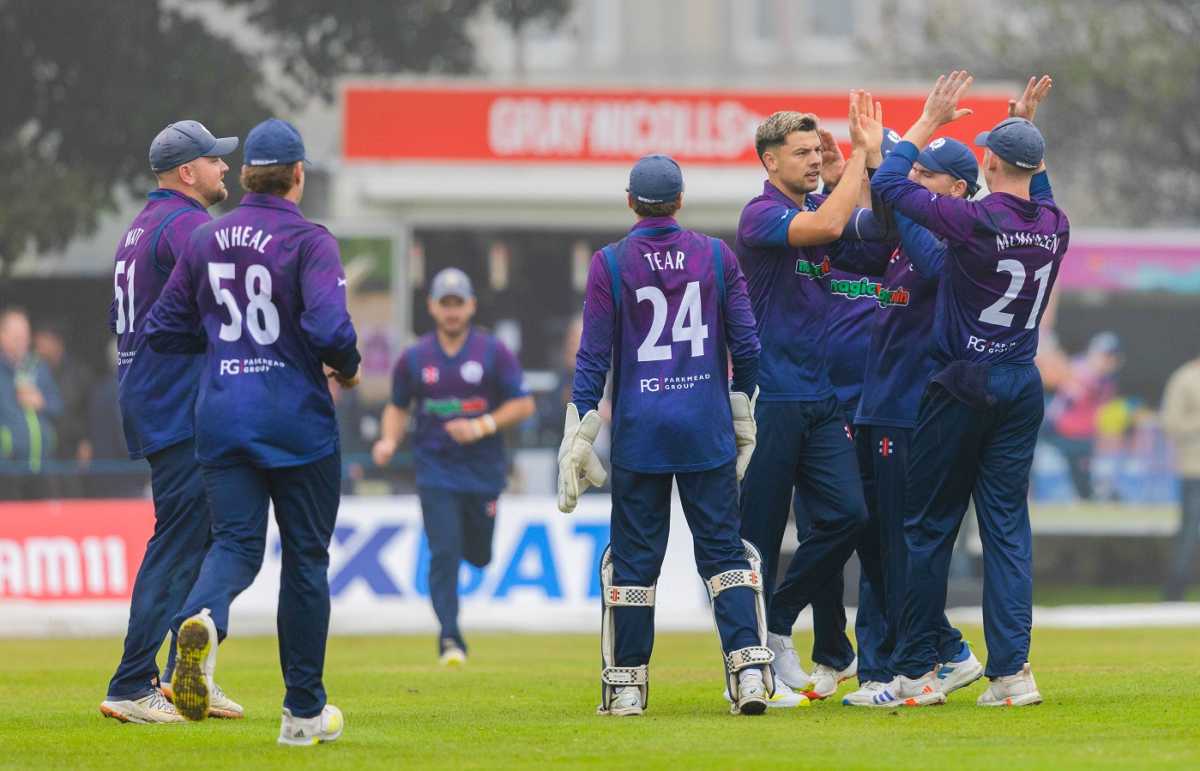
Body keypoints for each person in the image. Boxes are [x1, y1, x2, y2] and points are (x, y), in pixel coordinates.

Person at [145, 118, 360, 745]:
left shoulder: (206, 240)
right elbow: (330, 330)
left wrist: (219, 344)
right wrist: (345, 367)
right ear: (298, 176)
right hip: (296, 422)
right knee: (305, 562)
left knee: (236, 546)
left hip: (222, 416)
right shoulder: (311, 239)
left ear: (244, 177)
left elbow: (163, 328)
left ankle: (202, 617)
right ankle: (301, 714)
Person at [559, 152, 789, 717]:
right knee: (725, 556)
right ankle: (752, 676)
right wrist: (741, 409)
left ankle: (627, 687)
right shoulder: (715, 254)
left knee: (634, 564)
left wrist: (581, 430)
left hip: (641, 433)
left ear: (632, 202)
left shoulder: (609, 263)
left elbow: (592, 358)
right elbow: (749, 347)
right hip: (704, 429)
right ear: (680, 201)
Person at [870, 72, 1067, 707]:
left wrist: (927, 121)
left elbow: (889, 185)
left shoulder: (973, 219)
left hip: (961, 383)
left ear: (986, 162)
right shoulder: (1056, 225)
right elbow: (1040, 192)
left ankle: (919, 672)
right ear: (1034, 165)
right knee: (1007, 528)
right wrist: (1027, 129)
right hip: (1021, 383)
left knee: (928, 527)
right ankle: (1012, 674)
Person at [834, 132, 996, 706]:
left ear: (955, 188)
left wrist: (892, 170)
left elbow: (925, 254)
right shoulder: (907, 235)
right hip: (878, 405)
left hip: (911, 412)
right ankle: (906, 661)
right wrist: (851, 167)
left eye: (923, 176)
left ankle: (928, 662)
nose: (913, 184)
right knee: (877, 542)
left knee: (904, 545)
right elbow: (854, 240)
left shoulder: (958, 241)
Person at [100, 120, 245, 725]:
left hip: (153, 392)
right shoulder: (189, 226)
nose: (225, 169)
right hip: (180, 401)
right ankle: (134, 682)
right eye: (215, 161)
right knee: (183, 539)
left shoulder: (140, 228)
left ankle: (186, 676)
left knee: (208, 535)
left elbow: (117, 317)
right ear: (188, 172)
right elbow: (227, 309)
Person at [734, 94, 877, 697]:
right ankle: (747, 661)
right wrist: (863, 161)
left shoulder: (823, 202)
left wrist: (855, 176)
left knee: (849, 515)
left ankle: (780, 625)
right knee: (759, 537)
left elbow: (868, 243)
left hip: (820, 399)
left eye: (819, 150)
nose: (815, 159)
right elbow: (827, 226)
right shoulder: (759, 215)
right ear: (770, 162)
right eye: (801, 152)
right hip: (772, 398)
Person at [371, 268, 535, 665]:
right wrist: (389, 440)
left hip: (483, 472)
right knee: (443, 553)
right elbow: (397, 405)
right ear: (431, 307)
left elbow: (523, 404)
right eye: (444, 304)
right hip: (435, 471)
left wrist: (482, 425)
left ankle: (456, 609)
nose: (451, 312)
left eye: (457, 304)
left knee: (478, 555)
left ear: (471, 306)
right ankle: (450, 637)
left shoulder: (493, 352)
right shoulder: (414, 358)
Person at [1045, 331, 1123, 500]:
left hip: (1083, 437)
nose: (1108, 360)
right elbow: (1067, 390)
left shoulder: (1107, 380)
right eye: (1104, 355)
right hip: (1056, 430)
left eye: (1111, 357)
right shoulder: (1078, 369)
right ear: (1093, 353)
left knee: (1084, 486)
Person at [0, 308, 62, 500]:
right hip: (7, 469)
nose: (22, 340)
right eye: (16, 335)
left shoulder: (38, 366)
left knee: (45, 525)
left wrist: (41, 401)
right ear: (2, 335)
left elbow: (58, 406)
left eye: (25, 334)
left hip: (41, 466)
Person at [1161, 354, 1200, 601]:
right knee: (1189, 531)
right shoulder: (1185, 379)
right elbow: (1172, 424)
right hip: (1194, 469)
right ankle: (1175, 591)